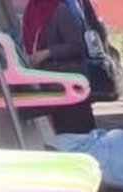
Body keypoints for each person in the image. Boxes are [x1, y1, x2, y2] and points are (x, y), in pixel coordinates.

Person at [21, 0, 95, 133]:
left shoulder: (59, 9)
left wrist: (46, 53)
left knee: (76, 134)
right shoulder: (30, 12)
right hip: (46, 87)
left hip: (68, 86)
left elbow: (76, 46)